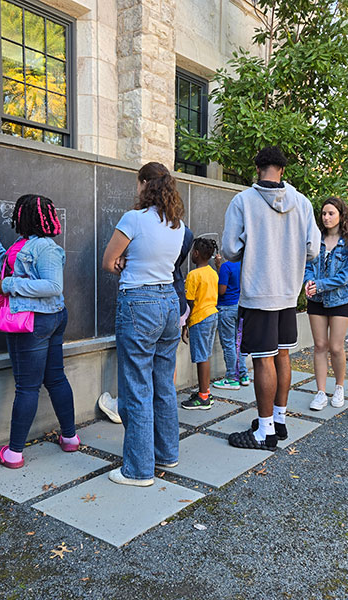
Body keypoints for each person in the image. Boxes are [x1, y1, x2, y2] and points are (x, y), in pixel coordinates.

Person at [221, 146, 320, 450]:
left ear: (257, 168)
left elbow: (229, 250)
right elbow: (313, 249)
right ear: (283, 170)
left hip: (259, 291)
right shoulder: (302, 203)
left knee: (263, 359)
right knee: (283, 355)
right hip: (288, 294)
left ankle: (264, 432)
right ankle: (279, 419)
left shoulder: (243, 201)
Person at [102, 162, 185, 486]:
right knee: (163, 383)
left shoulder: (133, 219)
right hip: (168, 303)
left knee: (136, 386)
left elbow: (109, 262)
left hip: (140, 302)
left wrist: (125, 262)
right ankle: (167, 453)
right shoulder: (177, 225)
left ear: (144, 184)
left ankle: (138, 470)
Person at [0, 194, 78, 469]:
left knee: (28, 387)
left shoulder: (45, 248)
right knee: (54, 378)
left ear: (23, 217)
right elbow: (12, 275)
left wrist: (10, 285)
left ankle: (13, 453)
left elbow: (52, 286)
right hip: (45, 319)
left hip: (34, 321)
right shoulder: (22, 244)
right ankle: (70, 437)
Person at [96, 224, 194, 424]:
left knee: (138, 379)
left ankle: (131, 414)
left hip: (142, 298)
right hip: (173, 297)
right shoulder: (184, 231)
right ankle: (167, 453)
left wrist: (130, 263)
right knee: (165, 375)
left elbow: (109, 262)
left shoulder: (137, 221)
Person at [304, 197, 348, 410]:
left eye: (331, 214)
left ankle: (339, 387)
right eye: (324, 214)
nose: (326, 218)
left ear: (341, 216)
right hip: (316, 299)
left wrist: (319, 284)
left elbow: (345, 276)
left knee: (336, 347)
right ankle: (320, 392)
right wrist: (308, 282)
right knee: (319, 346)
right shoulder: (315, 239)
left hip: (340, 299)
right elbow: (307, 264)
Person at [181, 238, 220, 409]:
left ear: (196, 254)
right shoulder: (212, 272)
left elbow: (189, 302)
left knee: (201, 357)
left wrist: (185, 325)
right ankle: (205, 392)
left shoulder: (193, 275)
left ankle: (204, 396)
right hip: (212, 315)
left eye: (192, 252)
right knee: (205, 356)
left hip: (200, 319)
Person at [212, 257, 250, 390]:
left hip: (226, 308)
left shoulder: (226, 267)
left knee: (228, 344)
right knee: (237, 343)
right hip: (240, 306)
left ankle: (231, 378)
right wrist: (218, 267)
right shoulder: (243, 264)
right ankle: (243, 375)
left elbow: (222, 290)